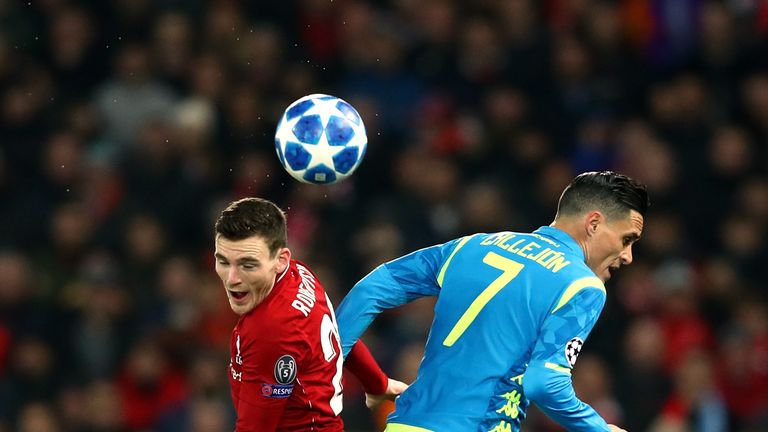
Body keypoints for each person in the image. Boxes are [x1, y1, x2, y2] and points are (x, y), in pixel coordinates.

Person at [336, 171, 649, 432]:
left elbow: (372, 289)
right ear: (593, 224)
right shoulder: (582, 285)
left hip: (406, 424)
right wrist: (598, 428)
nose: (628, 256)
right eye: (627, 240)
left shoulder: (473, 246)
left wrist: (334, 367)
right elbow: (544, 381)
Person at [213, 197, 405, 431]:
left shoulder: (271, 331)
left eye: (248, 265)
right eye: (223, 261)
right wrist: (376, 382)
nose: (232, 279)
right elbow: (336, 333)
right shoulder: (300, 274)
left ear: (281, 260)